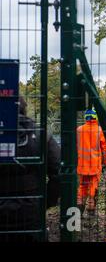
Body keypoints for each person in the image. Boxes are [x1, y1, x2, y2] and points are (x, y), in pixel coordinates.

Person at [0, 96, 61, 242]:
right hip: (31, 212)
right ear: (23, 108)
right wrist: (45, 202)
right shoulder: (41, 135)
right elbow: (59, 173)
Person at [76, 108, 106, 215]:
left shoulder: (79, 130)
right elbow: (104, 149)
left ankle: (79, 209)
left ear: (86, 118)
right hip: (95, 165)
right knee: (93, 186)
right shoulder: (99, 130)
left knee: (82, 186)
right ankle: (91, 209)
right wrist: (105, 163)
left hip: (81, 165)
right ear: (96, 118)